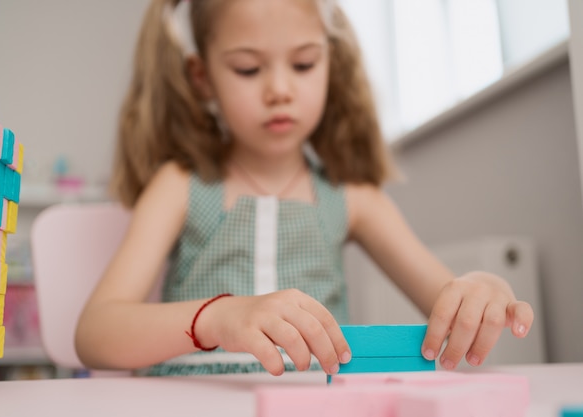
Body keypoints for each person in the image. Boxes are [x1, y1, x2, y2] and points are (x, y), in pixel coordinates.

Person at [75, 0, 534, 377]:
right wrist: (219, 317)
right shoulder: (180, 186)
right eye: (248, 69)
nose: (279, 89)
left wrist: (478, 290)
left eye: (303, 63)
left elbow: (447, 300)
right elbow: (95, 334)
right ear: (202, 78)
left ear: (329, 64)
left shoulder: (353, 197)